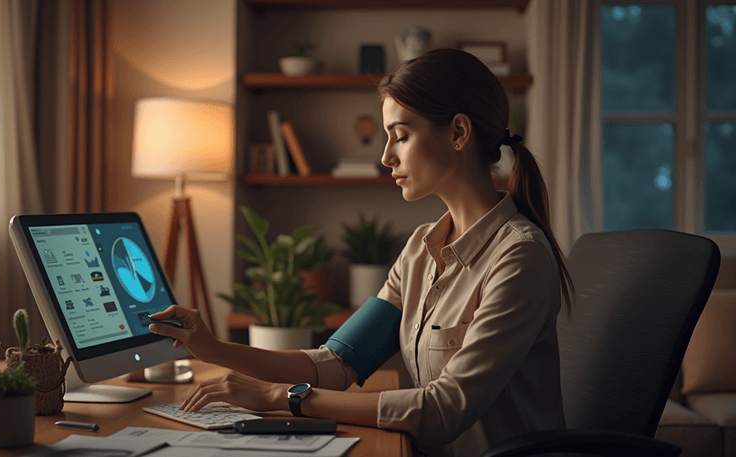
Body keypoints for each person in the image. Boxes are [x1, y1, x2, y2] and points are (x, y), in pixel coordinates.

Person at [149, 48, 574, 457]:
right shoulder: (421, 251)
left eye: (401, 136)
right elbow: (338, 362)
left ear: (459, 133)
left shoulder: (519, 259)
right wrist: (210, 348)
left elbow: (443, 411)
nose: (387, 156)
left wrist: (282, 398)